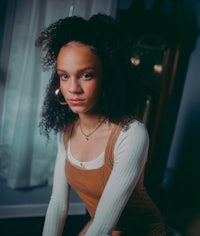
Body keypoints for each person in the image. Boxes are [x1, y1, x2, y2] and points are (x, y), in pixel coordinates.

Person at [35, 13, 166, 236]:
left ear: (107, 77)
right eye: (64, 76)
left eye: (86, 75)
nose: (73, 88)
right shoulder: (66, 129)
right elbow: (58, 203)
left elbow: (103, 227)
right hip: (103, 226)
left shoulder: (131, 133)